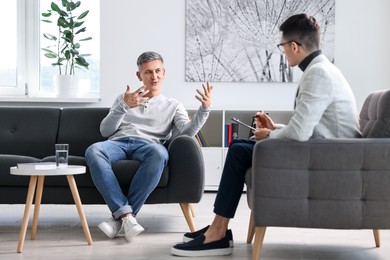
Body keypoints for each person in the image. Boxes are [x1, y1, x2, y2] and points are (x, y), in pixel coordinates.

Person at [171, 13, 362, 257]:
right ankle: (219, 227)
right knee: (241, 143)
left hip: (327, 159)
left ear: (294, 46)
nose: (283, 52)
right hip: (323, 150)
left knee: (239, 150)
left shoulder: (318, 74)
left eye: (282, 46)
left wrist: (270, 136)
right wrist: (274, 129)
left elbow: (303, 132)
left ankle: (218, 232)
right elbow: (310, 127)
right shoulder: (322, 69)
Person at [85, 51, 213, 242]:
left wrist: (204, 110)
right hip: (118, 143)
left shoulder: (173, 105)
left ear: (164, 72)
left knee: (160, 154)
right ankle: (127, 217)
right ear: (139, 75)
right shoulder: (125, 98)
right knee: (93, 150)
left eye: (158, 71)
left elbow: (186, 133)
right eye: (148, 72)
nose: (154, 77)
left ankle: (120, 217)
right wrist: (124, 106)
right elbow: (105, 131)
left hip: (149, 146)